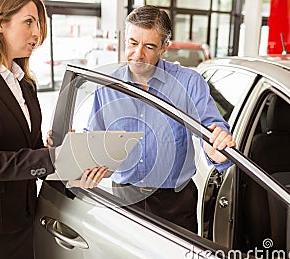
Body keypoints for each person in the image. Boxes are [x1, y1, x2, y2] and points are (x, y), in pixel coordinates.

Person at [0, 1, 106, 259]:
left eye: (40, 24)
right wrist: (52, 157)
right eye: (29, 22)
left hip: (22, 215)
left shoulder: (25, 83)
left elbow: (30, 152)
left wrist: (69, 164)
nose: (38, 33)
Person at [86, 5, 236, 233]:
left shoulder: (189, 83)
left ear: (164, 47)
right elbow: (95, 137)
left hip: (175, 203)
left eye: (149, 46)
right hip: (125, 197)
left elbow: (211, 128)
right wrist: (75, 150)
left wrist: (215, 146)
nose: (137, 54)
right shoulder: (107, 85)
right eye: (133, 43)